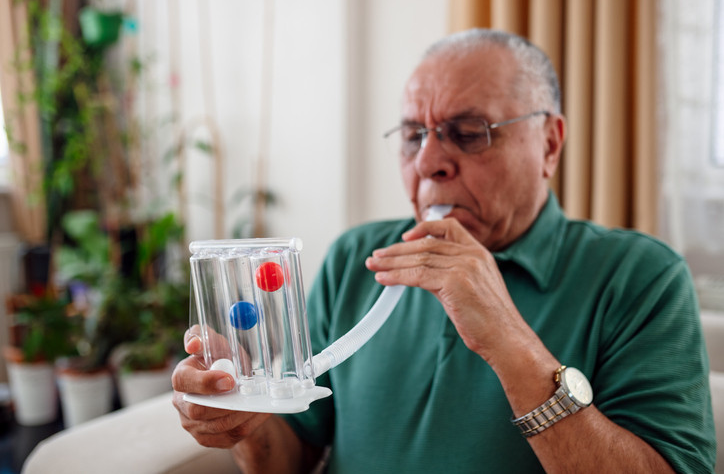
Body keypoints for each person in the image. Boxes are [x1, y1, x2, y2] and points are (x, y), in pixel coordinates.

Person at [172, 28, 716, 473]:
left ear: (549, 144)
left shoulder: (639, 276)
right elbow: (290, 458)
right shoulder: (356, 258)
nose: (430, 161)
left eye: (469, 132)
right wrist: (240, 413)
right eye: (413, 135)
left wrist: (508, 341)